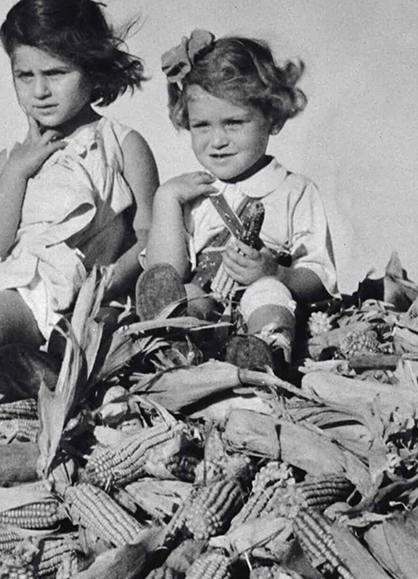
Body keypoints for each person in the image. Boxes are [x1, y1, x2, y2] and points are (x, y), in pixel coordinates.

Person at [0, 0, 159, 386]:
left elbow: (149, 234)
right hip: (29, 298)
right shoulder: (10, 160)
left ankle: (31, 376)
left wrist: (108, 280)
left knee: (92, 348)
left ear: (92, 70)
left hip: (102, 295)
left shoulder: (122, 144)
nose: (40, 90)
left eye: (56, 73)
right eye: (25, 75)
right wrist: (19, 171)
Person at [143, 31, 337, 364]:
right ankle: (177, 349)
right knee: (184, 297)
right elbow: (165, 274)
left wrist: (276, 273)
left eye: (233, 123)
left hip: (263, 301)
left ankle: (265, 351)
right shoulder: (193, 193)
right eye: (202, 126)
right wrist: (167, 200)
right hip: (207, 310)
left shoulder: (293, 191)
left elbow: (320, 278)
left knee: (267, 294)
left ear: (272, 118)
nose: (217, 140)